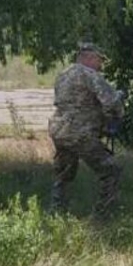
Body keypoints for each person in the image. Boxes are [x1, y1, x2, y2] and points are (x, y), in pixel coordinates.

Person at [49, 42, 125, 220]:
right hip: (80, 133)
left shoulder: (63, 75)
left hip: (60, 131)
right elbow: (111, 102)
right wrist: (118, 106)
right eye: (99, 60)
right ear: (89, 58)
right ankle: (103, 215)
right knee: (112, 170)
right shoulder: (89, 74)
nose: (101, 65)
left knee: (63, 175)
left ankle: (56, 213)